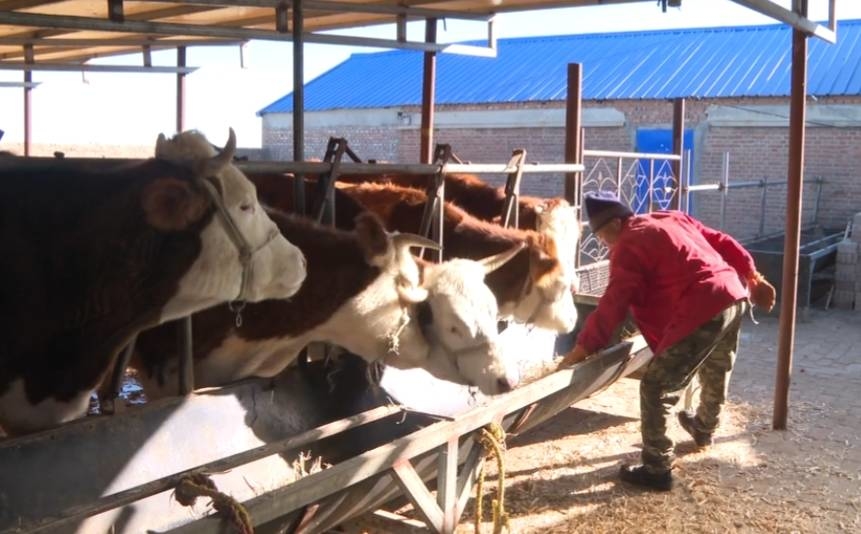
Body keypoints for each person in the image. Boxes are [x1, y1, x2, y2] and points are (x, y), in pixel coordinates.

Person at [559, 191, 776, 491]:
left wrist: (582, 349)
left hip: (702, 306)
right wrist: (751, 274)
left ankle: (657, 468)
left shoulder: (627, 245)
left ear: (615, 224)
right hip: (732, 294)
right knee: (717, 365)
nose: (605, 244)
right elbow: (722, 240)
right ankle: (704, 428)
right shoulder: (670, 217)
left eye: (601, 236)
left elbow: (613, 303)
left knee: (655, 386)